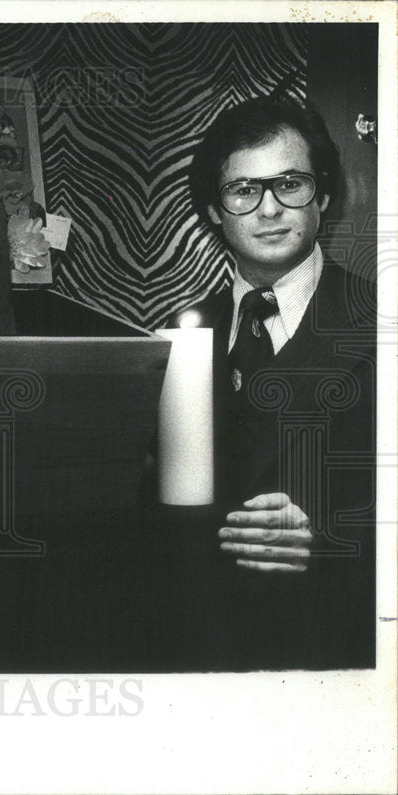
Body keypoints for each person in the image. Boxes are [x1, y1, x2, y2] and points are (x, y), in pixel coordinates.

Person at [157, 96, 376, 669]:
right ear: (213, 210)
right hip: (199, 649)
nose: (270, 209)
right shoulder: (176, 339)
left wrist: (324, 540)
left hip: (338, 646)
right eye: (244, 190)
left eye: (291, 184)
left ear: (323, 196)